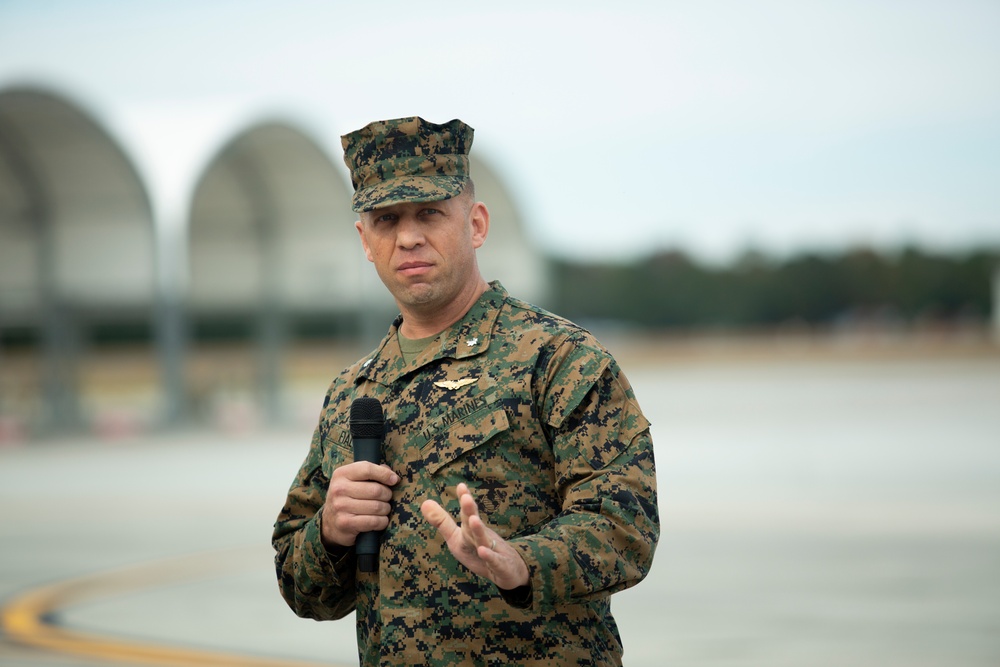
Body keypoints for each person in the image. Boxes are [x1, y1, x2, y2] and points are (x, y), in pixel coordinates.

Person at [272, 116, 659, 666]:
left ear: (476, 224)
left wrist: (524, 562)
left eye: (429, 213)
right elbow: (301, 586)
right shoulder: (352, 394)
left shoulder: (558, 360)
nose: (407, 237)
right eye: (386, 220)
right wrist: (329, 533)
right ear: (365, 241)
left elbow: (625, 527)